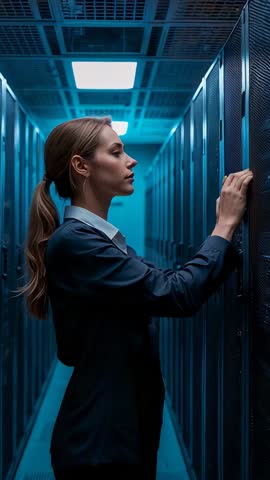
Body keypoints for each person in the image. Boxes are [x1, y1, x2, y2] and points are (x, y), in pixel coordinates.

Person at [19, 116, 253, 480]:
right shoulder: (78, 242)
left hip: (115, 430)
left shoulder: (93, 239)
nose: (131, 160)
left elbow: (166, 284)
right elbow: (177, 294)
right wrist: (224, 225)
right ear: (82, 166)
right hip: (102, 442)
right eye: (116, 152)